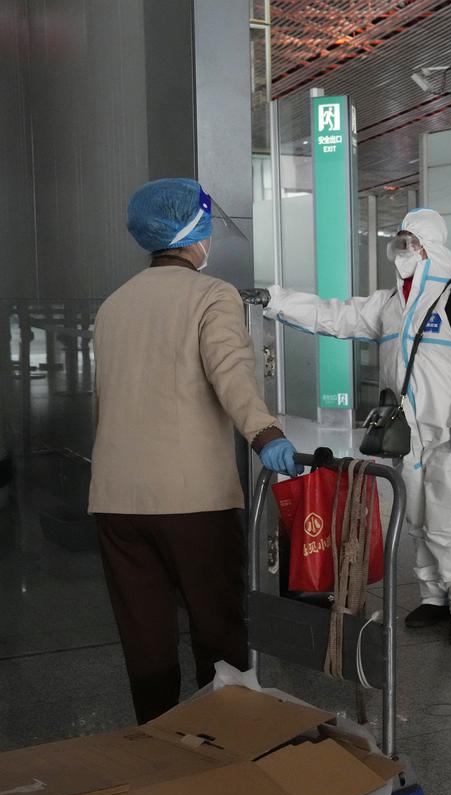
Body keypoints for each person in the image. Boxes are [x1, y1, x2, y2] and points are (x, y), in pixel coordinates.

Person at [90, 178, 302, 723]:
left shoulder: (113, 306)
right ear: (195, 232)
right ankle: (222, 747)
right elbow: (230, 373)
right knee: (218, 631)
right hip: (192, 502)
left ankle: (159, 748)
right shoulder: (213, 296)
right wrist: (266, 434)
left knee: (146, 638)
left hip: (116, 501)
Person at [263, 209, 451, 644]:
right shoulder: (391, 305)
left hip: (450, 433)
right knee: (415, 519)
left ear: (430, 246)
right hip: (407, 433)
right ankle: (434, 598)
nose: (402, 249)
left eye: (410, 241)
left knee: (448, 520)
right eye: (400, 240)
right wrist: (276, 301)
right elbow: (335, 316)